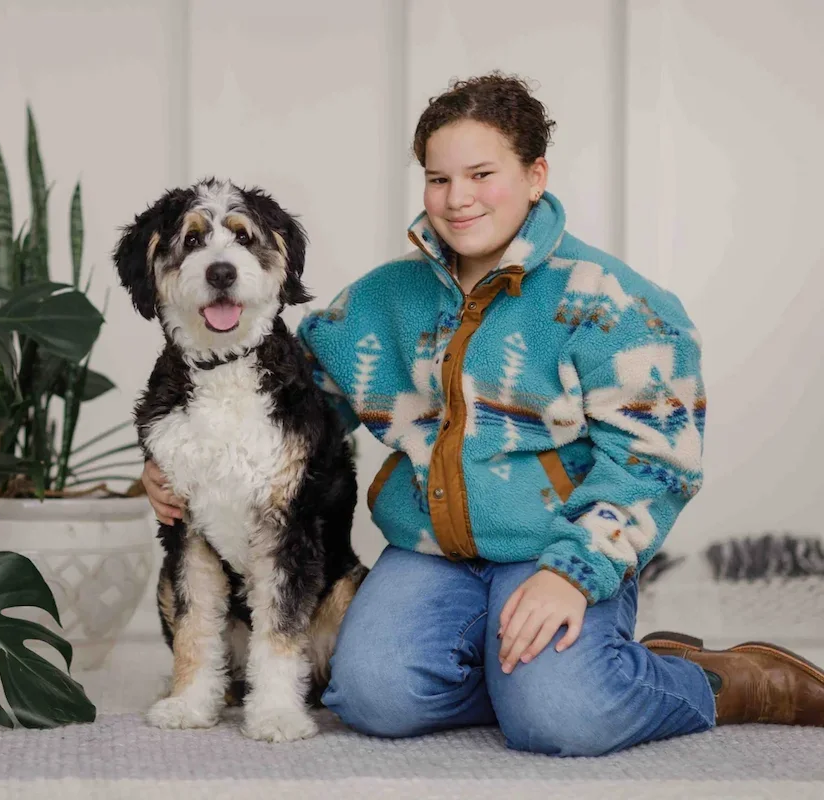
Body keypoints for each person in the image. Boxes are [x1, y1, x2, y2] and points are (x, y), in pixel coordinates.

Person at [139, 72, 824, 755]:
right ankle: (541, 674)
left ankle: (720, 680)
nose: (457, 198)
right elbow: (286, 403)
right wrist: (179, 465)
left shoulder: (612, 302)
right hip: (434, 555)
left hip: (554, 549)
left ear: (535, 175)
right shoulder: (382, 301)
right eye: (438, 179)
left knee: (561, 716)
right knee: (367, 695)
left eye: (481, 174)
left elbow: (656, 462)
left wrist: (574, 572)